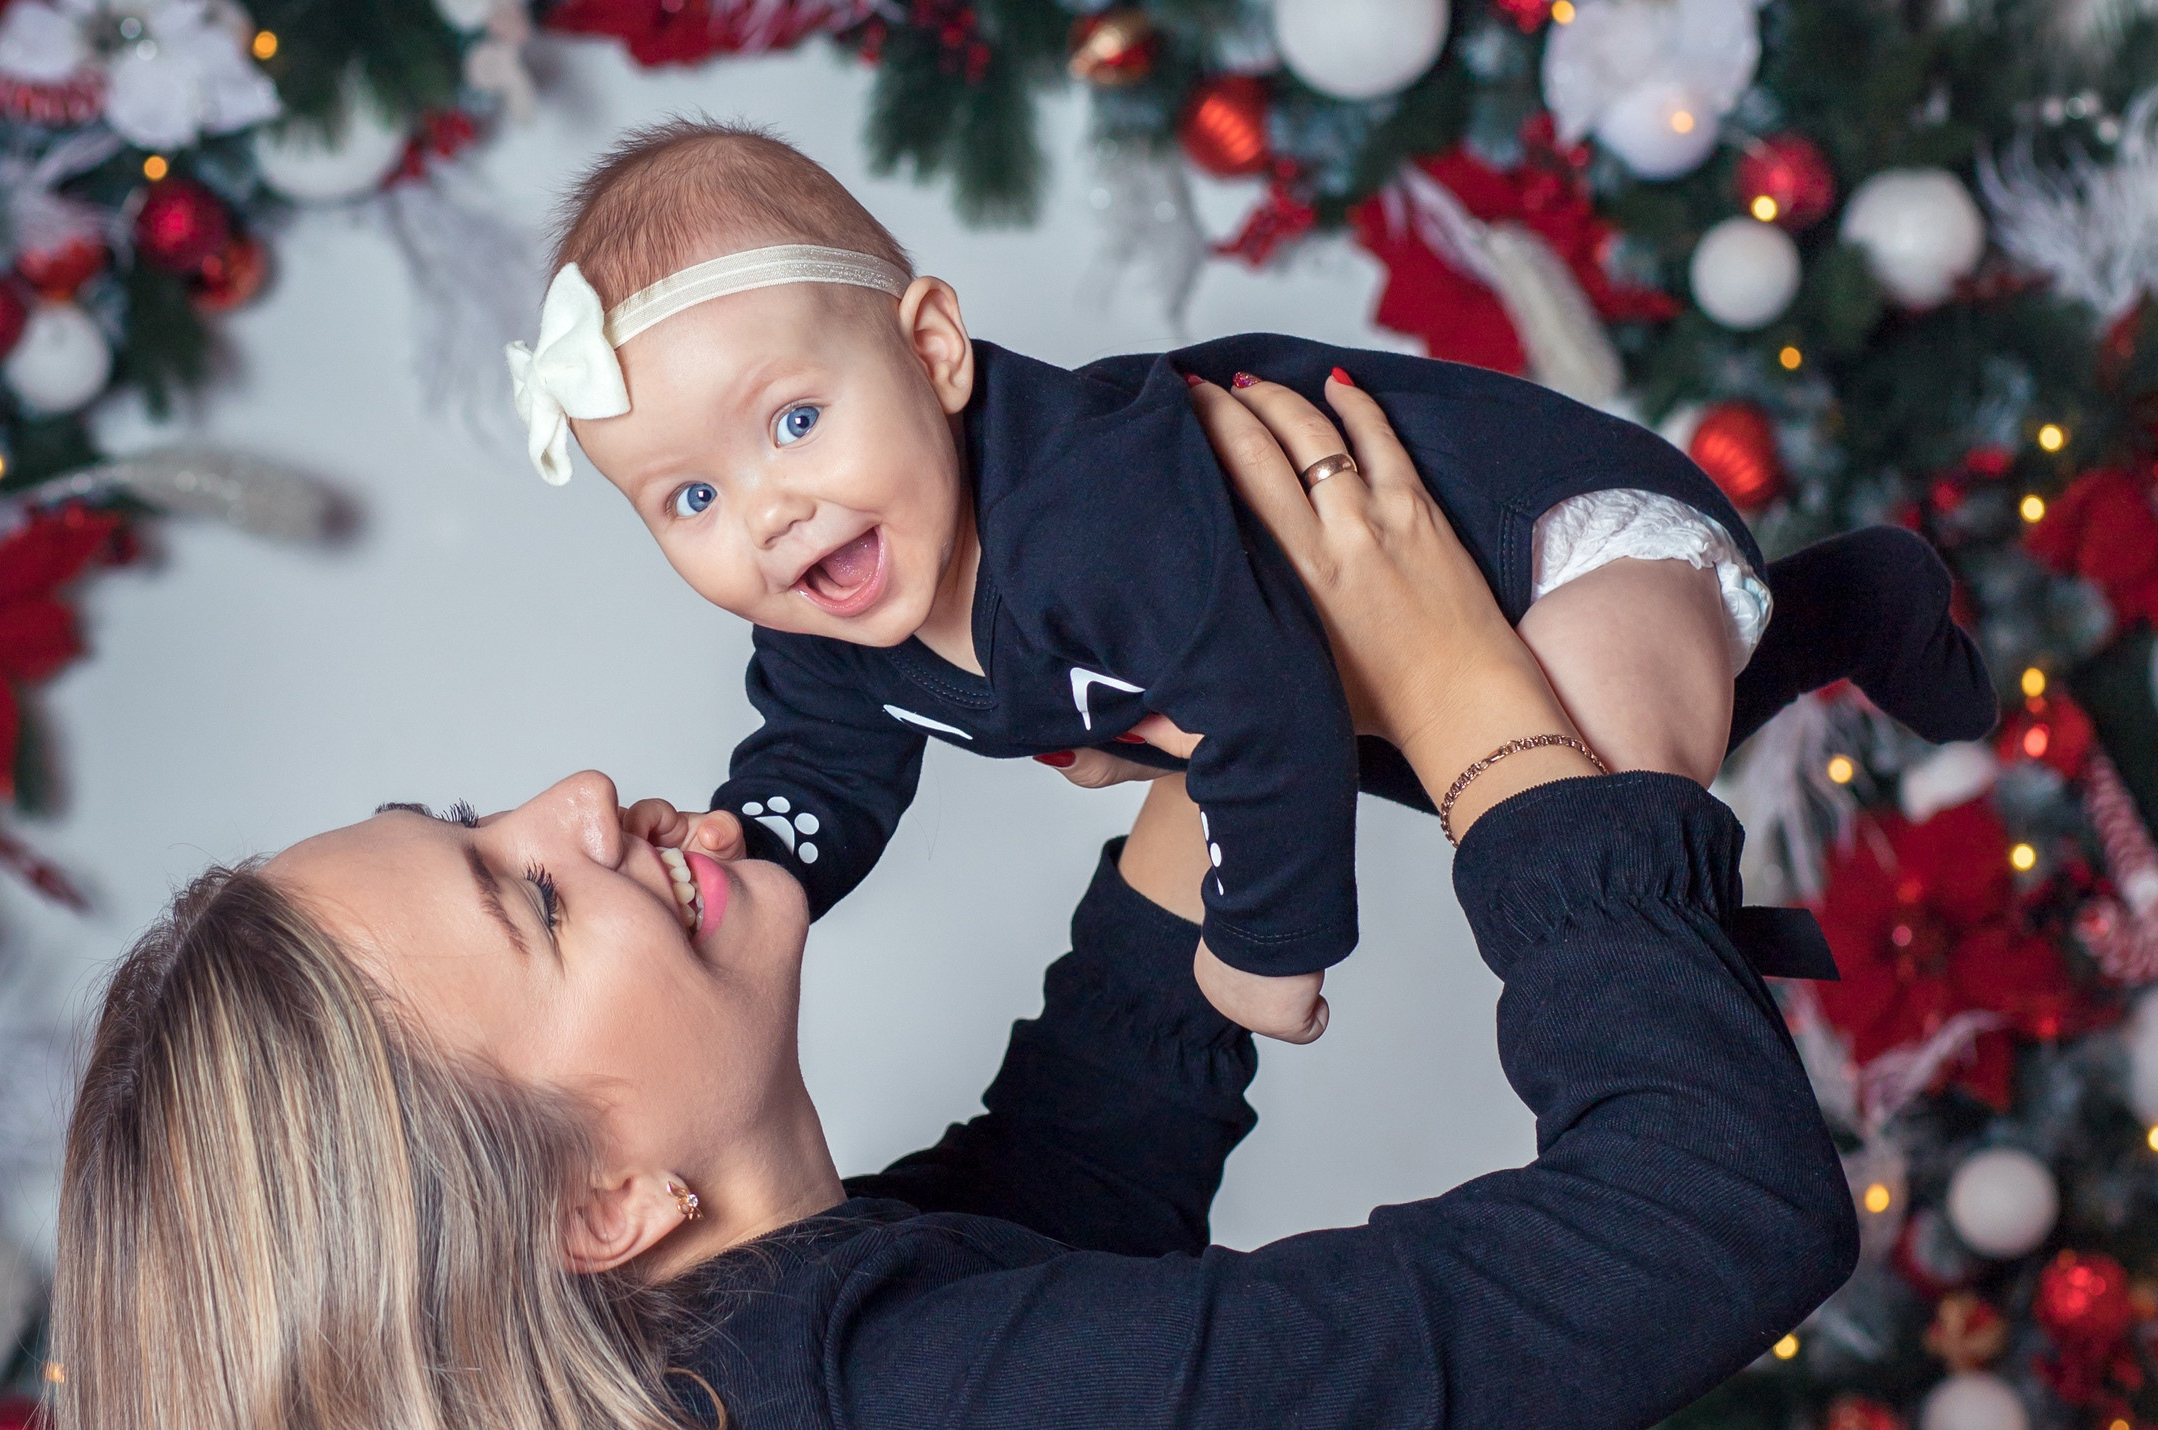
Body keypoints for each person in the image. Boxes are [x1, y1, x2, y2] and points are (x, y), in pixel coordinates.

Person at [51, 373, 1861, 1430]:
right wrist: (1480, 715)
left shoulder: (747, 1412)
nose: (578, 797)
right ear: (596, 1203)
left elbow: (1081, 1165)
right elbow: (1705, 1209)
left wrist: (1233, 697)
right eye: (524, 896)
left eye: (479, 814)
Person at [505, 120, 1993, 1043]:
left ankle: (1795, 696)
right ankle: (1849, 602)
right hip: (1393, 674)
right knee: (1528, 757)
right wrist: (751, 863)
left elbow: (1270, 710)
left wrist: (1265, 941)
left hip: (1533, 538)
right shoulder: (833, 626)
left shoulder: (1093, 505)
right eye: (690, 496)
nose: (766, 513)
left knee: (1583, 792)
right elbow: (821, 767)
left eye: (794, 421)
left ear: (934, 349)